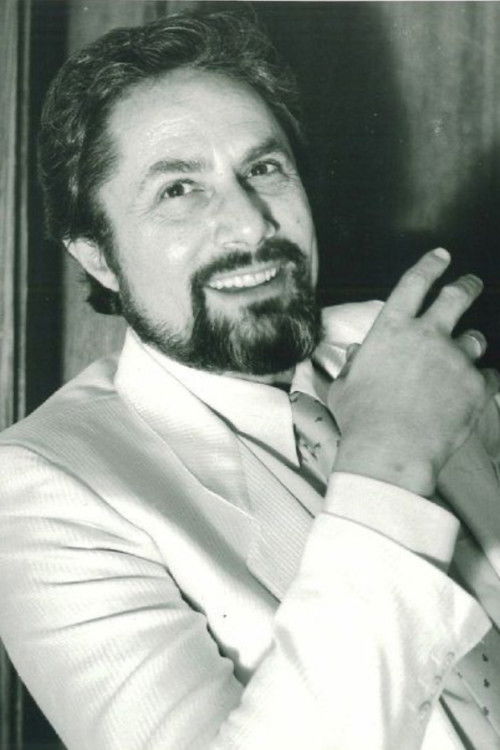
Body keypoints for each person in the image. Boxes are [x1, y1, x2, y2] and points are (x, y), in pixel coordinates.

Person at [0, 11, 499, 750]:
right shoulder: (44, 490)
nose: (250, 225)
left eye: (263, 169)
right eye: (179, 189)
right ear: (97, 257)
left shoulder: (409, 348)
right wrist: (387, 463)